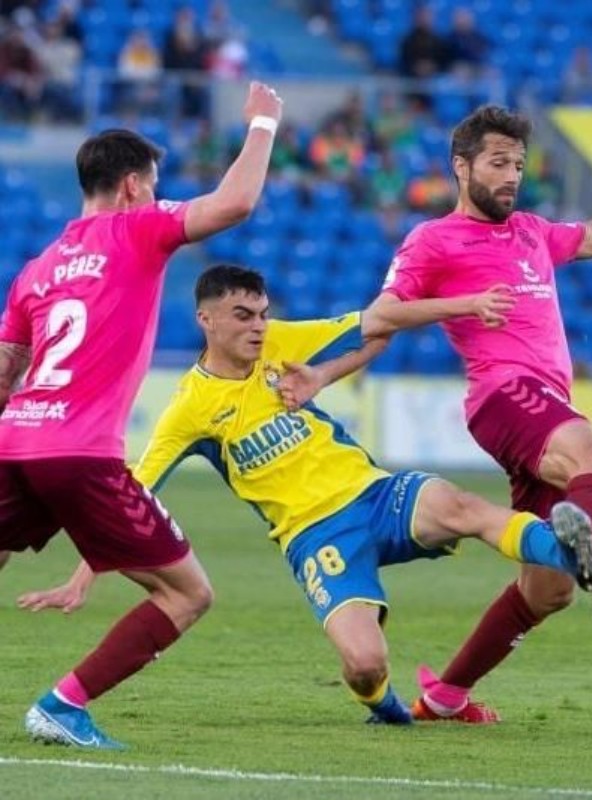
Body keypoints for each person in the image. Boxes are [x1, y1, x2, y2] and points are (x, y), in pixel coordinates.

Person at [275, 104, 592, 722]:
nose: (512, 175)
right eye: (497, 162)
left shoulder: (531, 231)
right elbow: (381, 318)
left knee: (547, 590)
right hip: (503, 396)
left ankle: (444, 696)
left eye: (518, 163)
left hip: (542, 402)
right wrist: (328, 371)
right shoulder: (433, 240)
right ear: (461, 167)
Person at [17, 265, 592, 725]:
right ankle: (386, 708)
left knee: (461, 506)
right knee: (365, 662)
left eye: (263, 315)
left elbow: (377, 321)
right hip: (315, 538)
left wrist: (466, 305)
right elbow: (134, 492)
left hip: (373, 493)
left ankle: (569, 551)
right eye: (243, 315)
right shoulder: (189, 410)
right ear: (206, 320)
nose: (257, 327)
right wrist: (89, 569)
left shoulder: (280, 344)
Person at [0, 80, 284, 749]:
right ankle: (64, 705)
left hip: (16, 443)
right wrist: (264, 125)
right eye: (153, 186)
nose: (157, 198)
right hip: (81, 453)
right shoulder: (138, 229)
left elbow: (4, 373)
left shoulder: (38, 268)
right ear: (132, 186)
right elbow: (236, 202)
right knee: (188, 594)